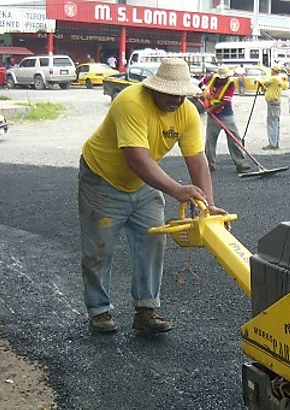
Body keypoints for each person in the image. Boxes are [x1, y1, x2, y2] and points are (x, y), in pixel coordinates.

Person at [78, 58, 228, 334]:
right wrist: (178, 190)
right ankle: (99, 310)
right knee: (100, 248)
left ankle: (146, 310)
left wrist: (208, 205)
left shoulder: (187, 113)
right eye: (170, 93)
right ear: (154, 88)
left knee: (152, 241)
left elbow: (197, 160)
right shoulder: (130, 103)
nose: (177, 99)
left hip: (144, 183)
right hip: (103, 179)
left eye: (181, 93)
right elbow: (137, 159)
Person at [201, 66, 250, 173]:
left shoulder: (231, 84)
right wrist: (202, 92)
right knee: (210, 140)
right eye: (225, 77)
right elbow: (200, 84)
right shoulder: (209, 79)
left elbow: (226, 101)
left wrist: (211, 109)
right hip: (213, 117)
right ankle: (209, 165)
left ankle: (240, 163)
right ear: (219, 77)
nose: (227, 78)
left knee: (235, 139)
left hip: (226, 115)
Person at [255, 65, 284, 150]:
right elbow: (268, 88)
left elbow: (262, 80)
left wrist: (257, 80)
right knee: (275, 123)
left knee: (272, 123)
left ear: (273, 71)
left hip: (272, 104)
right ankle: (275, 142)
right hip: (275, 104)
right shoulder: (277, 80)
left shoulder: (274, 79)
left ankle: (272, 144)